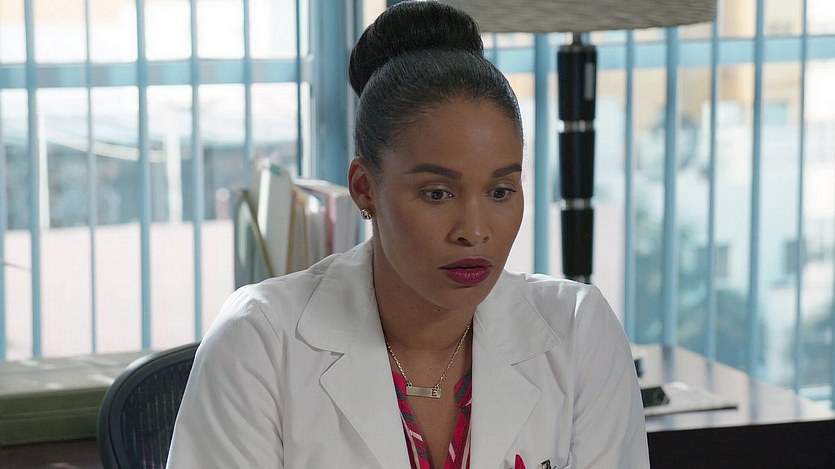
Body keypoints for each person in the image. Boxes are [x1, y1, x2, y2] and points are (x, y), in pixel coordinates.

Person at [166, 1, 649, 468]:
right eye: (437, 193)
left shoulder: (578, 332)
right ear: (364, 188)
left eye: (500, 192)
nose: (474, 231)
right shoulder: (260, 342)